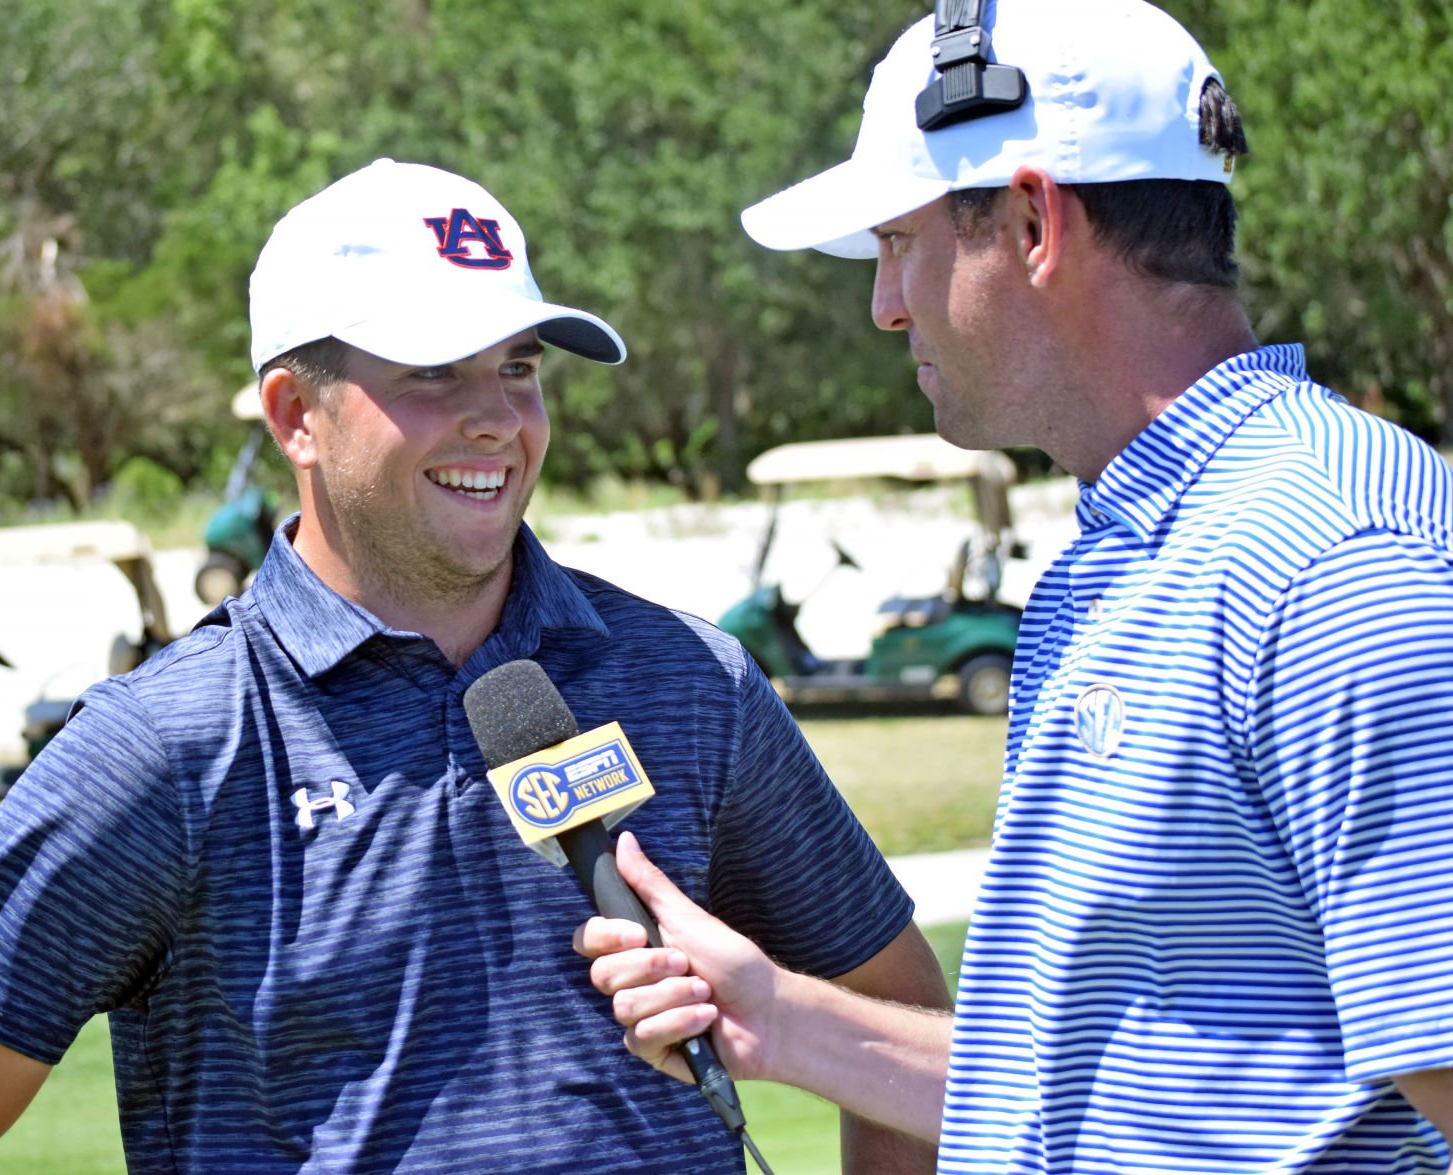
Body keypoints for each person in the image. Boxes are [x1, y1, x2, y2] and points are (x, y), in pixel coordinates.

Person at [0, 158, 950, 1173]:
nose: (497, 420)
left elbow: (893, 1011)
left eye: (518, 368)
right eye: (431, 373)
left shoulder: (691, 679)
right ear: (294, 415)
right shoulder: (165, 744)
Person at [574, 0, 1453, 1170]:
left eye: (898, 241)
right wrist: (778, 1017)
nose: (885, 305)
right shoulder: (1120, 555)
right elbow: (1087, 1093)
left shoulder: (1340, 566)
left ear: (1033, 218)